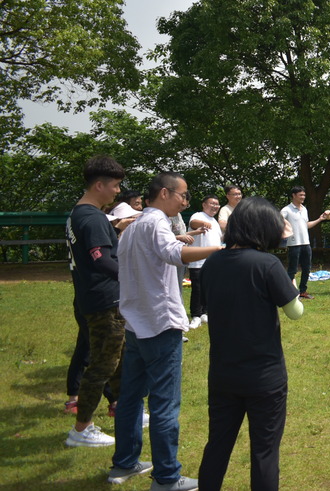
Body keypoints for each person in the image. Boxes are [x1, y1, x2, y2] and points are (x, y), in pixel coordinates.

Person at [112, 172, 224, 491]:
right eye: (183, 196)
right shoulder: (157, 222)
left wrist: (185, 236)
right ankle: (166, 476)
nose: (185, 201)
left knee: (131, 397)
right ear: (164, 193)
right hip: (160, 325)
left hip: (136, 324)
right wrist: (220, 250)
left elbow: (159, 251)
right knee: (164, 403)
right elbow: (174, 255)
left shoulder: (134, 227)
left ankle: (125, 461)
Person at [198, 197, 305, 491]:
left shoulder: (212, 262)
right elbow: (295, 312)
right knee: (264, 452)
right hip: (264, 376)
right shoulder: (267, 264)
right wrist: (292, 286)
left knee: (218, 445)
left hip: (223, 373)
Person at [65, 156, 127, 450]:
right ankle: (82, 428)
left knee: (117, 361)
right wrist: (131, 277)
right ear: (99, 185)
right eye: (115, 186)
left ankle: (127, 409)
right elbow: (100, 257)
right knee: (102, 364)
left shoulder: (78, 214)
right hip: (104, 300)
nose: (118, 191)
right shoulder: (92, 217)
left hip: (94, 298)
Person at [281, 186, 329, 300]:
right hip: (293, 244)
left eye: (304, 195)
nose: (303, 197)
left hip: (306, 244)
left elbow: (306, 225)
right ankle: (288, 293)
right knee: (292, 269)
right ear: (293, 195)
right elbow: (278, 223)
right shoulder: (286, 210)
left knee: (307, 268)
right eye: (300, 195)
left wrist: (320, 219)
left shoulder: (304, 209)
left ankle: (303, 291)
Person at [186, 195, 223, 328]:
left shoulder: (215, 221)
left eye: (217, 204)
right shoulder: (199, 215)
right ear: (204, 204)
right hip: (197, 261)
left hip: (213, 261)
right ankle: (195, 315)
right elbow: (193, 224)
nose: (215, 206)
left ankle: (205, 312)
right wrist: (203, 224)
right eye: (212, 203)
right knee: (197, 288)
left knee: (209, 288)